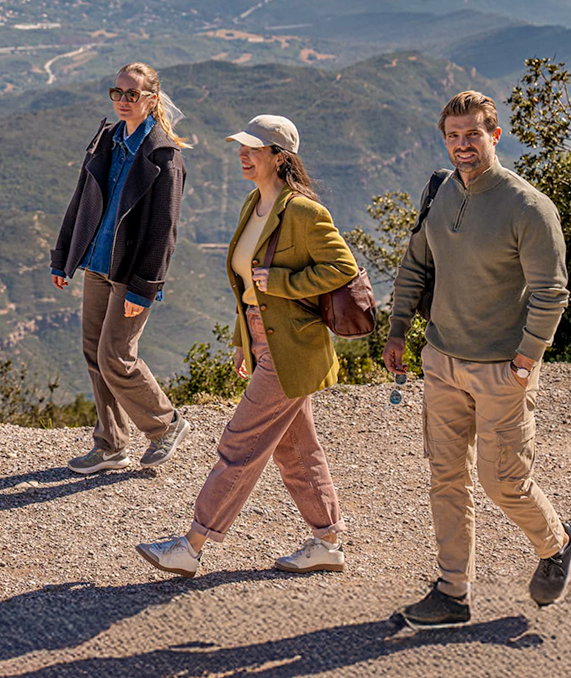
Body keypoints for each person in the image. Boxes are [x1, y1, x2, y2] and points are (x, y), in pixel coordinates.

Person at [384, 89, 571, 627]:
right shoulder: (442, 191)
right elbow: (415, 265)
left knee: (503, 483)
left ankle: (556, 541)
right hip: (441, 361)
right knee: (446, 479)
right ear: (444, 140)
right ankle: (452, 593)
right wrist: (398, 330)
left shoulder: (529, 208)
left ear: (495, 136)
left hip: (502, 371)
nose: (463, 145)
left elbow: (551, 293)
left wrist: (525, 361)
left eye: (473, 135)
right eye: (454, 136)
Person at [136, 114, 359, 577]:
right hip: (263, 341)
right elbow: (244, 286)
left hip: (292, 347)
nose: (243, 153)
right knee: (295, 449)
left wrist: (281, 281)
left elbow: (342, 268)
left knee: (240, 443)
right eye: (242, 146)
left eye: (254, 148)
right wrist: (244, 339)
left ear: (279, 157)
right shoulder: (254, 204)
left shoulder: (303, 211)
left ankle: (192, 545)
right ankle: (328, 542)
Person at [50, 62, 191, 474]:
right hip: (96, 262)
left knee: (116, 355)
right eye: (118, 93)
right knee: (94, 352)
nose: (123, 101)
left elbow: (164, 230)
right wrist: (64, 258)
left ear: (152, 99)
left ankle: (166, 423)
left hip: (132, 273)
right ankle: (111, 444)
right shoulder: (108, 140)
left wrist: (145, 288)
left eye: (133, 94)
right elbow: (81, 201)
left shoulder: (165, 157)